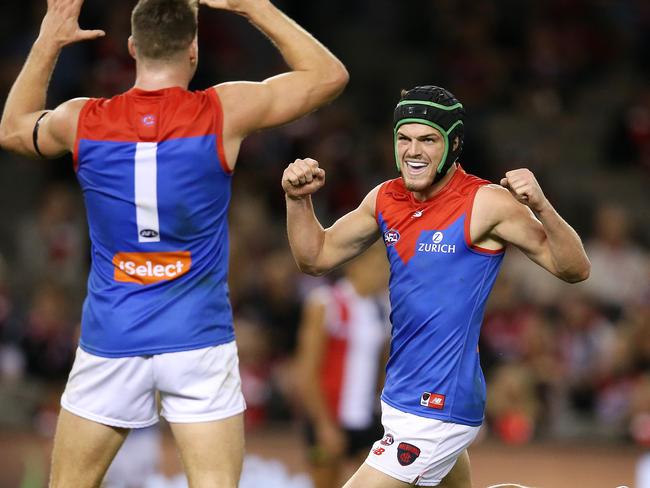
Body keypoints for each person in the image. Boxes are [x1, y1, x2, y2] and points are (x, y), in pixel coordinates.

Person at [0, 0, 348, 486]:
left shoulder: (82, 120)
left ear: (131, 48)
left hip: (113, 338)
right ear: (194, 50)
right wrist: (254, 7)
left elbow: (13, 130)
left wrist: (48, 41)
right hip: (198, 341)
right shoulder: (224, 110)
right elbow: (328, 76)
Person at [282, 85, 590, 487]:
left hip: (440, 402)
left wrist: (542, 207)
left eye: (428, 140)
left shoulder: (486, 202)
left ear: (454, 143)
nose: (413, 151)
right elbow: (315, 257)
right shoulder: (384, 199)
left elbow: (574, 268)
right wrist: (297, 200)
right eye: (404, 139)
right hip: (400, 397)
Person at [295, 242, 390, 488]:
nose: (382, 273)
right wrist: (323, 424)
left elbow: (382, 368)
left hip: (366, 417)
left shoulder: (381, 309)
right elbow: (307, 370)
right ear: (354, 267)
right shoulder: (326, 303)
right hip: (330, 415)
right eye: (376, 266)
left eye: (385, 267)